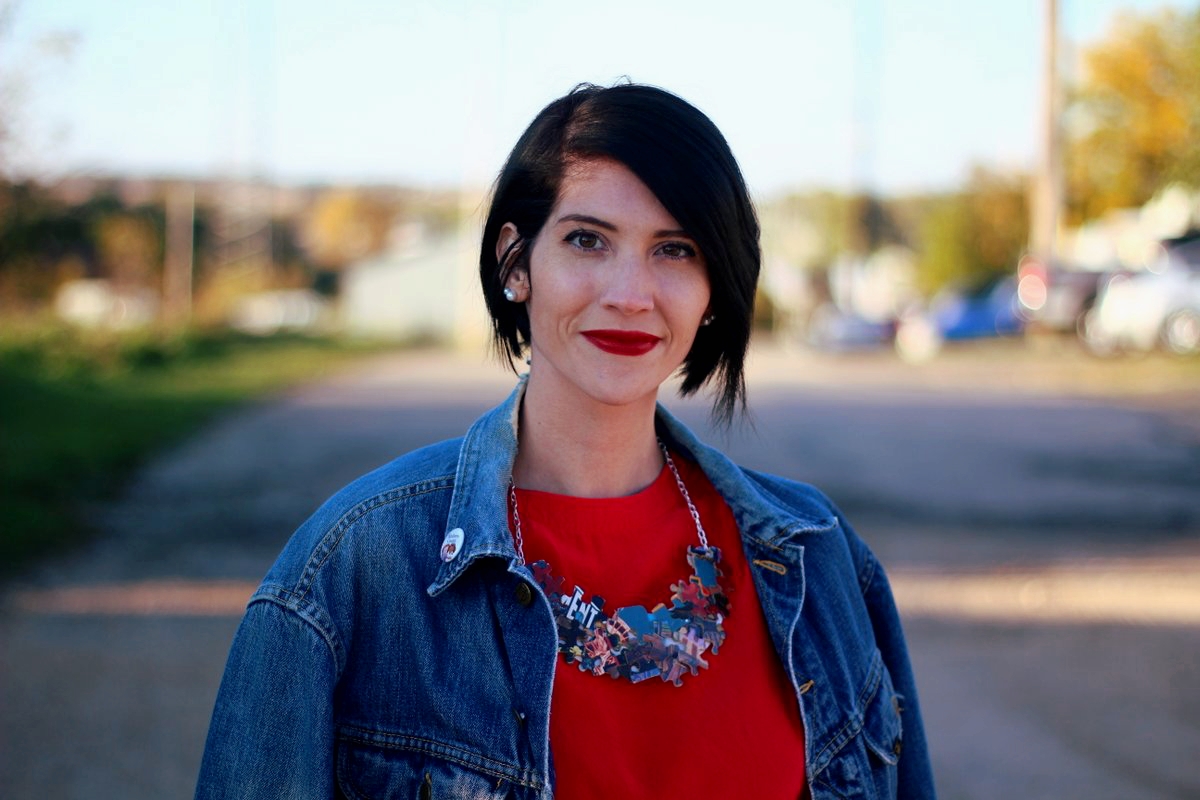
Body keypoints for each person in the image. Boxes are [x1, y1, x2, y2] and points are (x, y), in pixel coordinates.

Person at [196, 82, 935, 800]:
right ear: (516, 263)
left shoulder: (820, 557)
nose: (629, 292)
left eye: (674, 250)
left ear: (716, 288)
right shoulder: (355, 566)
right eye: (588, 240)